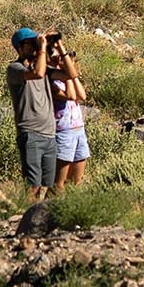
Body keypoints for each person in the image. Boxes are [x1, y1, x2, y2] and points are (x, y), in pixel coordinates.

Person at [6, 27, 58, 202]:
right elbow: (38, 74)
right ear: (19, 48)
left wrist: (59, 46)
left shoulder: (43, 66)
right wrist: (43, 47)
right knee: (33, 185)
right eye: (30, 44)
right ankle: (24, 218)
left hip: (50, 134)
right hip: (31, 133)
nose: (35, 47)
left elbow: (70, 75)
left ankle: (41, 219)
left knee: (50, 184)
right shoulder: (14, 68)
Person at [48, 34, 91, 189]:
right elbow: (70, 96)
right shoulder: (50, 80)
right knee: (59, 183)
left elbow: (82, 96)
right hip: (63, 133)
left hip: (78, 131)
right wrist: (67, 74)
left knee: (76, 182)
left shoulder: (68, 79)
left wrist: (72, 75)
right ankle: (47, 210)